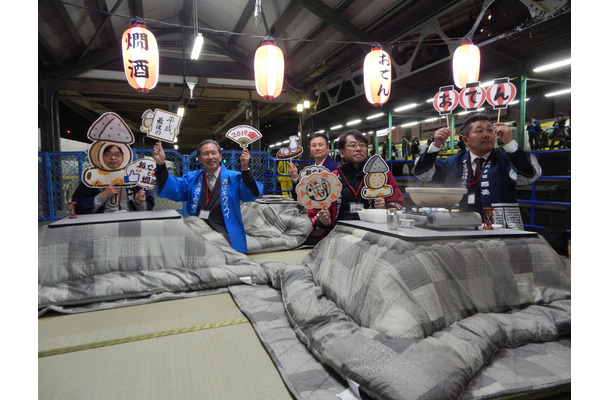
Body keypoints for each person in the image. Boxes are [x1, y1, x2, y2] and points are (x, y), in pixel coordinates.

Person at [413, 113, 541, 226]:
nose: (486, 135)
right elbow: (423, 174)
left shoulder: (506, 159)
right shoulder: (453, 162)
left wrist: (510, 143)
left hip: (501, 229)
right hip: (460, 228)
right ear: (466, 140)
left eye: (490, 130)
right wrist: (435, 145)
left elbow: (530, 175)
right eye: (479, 131)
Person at [152, 139, 263, 253]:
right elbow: (175, 189)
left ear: (220, 156)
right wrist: (161, 165)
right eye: (205, 154)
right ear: (199, 159)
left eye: (214, 153)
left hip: (227, 233)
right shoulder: (191, 178)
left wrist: (245, 169)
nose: (210, 157)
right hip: (198, 232)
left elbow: (249, 195)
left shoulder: (235, 178)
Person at [311, 130, 406, 235]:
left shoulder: (382, 175)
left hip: (374, 232)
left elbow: (400, 205)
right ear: (342, 153)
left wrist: (385, 207)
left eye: (362, 145)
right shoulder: (331, 178)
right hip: (339, 232)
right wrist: (325, 221)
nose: (358, 149)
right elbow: (317, 214)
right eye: (353, 145)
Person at [72, 144, 154, 214]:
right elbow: (78, 208)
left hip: (130, 223)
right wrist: (103, 196)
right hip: (99, 225)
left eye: (118, 155)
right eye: (108, 154)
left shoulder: (134, 178)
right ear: (101, 157)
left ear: (124, 157)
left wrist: (139, 203)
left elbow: (147, 209)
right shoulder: (92, 180)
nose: (113, 157)